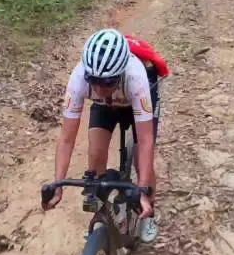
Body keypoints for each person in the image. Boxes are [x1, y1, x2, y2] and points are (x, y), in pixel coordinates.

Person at [43, 28, 169, 243]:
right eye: (93, 80)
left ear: (120, 73)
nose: (99, 88)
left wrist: (142, 191)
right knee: (95, 153)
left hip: (135, 103)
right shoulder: (79, 79)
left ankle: (148, 212)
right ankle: (102, 214)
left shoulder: (136, 77)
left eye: (108, 82)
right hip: (106, 106)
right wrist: (58, 184)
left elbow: (146, 140)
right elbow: (66, 138)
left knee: (141, 159)